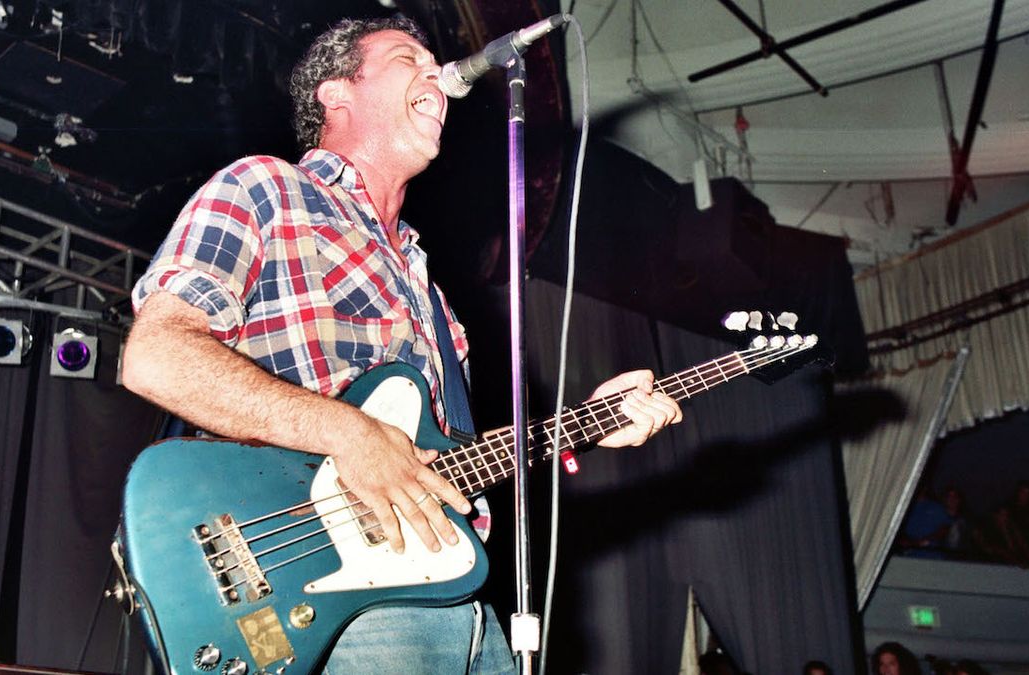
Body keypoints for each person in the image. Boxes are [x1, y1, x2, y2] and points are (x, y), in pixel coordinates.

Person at [121, 16, 683, 673]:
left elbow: (435, 457)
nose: (436, 73)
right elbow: (155, 354)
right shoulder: (267, 189)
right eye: (405, 57)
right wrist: (347, 432)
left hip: (461, 601)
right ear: (337, 94)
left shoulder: (427, 283)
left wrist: (587, 422)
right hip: (333, 601)